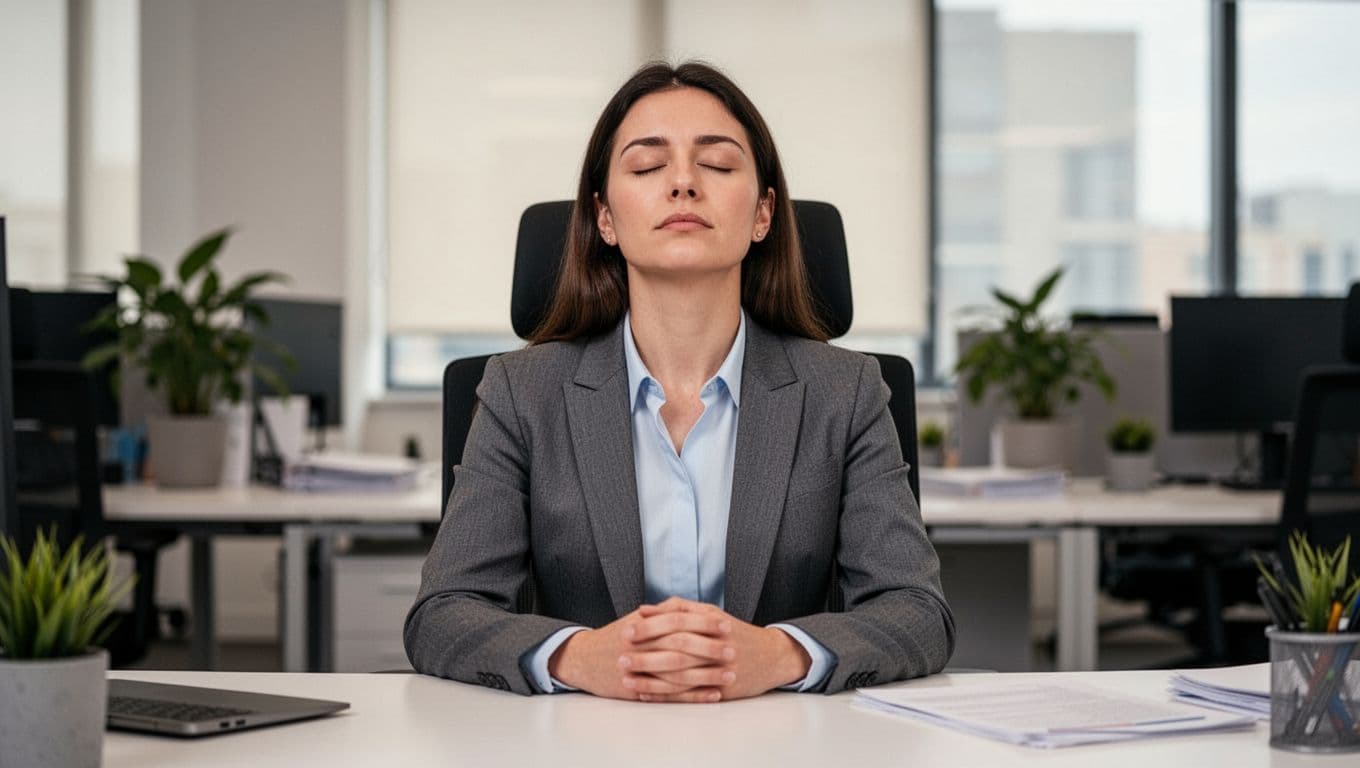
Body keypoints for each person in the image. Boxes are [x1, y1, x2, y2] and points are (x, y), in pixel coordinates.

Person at [405, 61, 954, 703]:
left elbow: (918, 611)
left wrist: (776, 654)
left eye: (718, 165)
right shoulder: (520, 393)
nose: (684, 184)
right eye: (647, 168)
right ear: (605, 218)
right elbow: (443, 613)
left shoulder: (847, 392)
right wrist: (579, 657)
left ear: (763, 214)